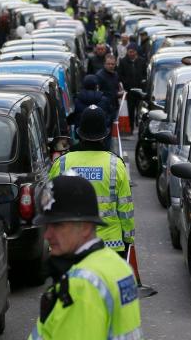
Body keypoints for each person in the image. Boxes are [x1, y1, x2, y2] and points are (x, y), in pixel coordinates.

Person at [28, 174, 141, 340]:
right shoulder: (118, 265)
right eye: (47, 225)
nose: (47, 234)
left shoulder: (80, 285)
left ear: (86, 227)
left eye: (58, 225)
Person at [49, 106, 135, 255]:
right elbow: (125, 208)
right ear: (103, 136)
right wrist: (128, 239)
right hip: (110, 246)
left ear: (80, 133)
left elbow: (50, 207)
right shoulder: (115, 165)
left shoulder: (61, 164)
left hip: (70, 245)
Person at [95, 54, 120, 127]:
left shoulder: (115, 75)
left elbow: (115, 89)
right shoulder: (99, 76)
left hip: (114, 106)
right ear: (104, 64)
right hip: (104, 107)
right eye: (108, 64)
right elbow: (98, 92)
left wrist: (118, 94)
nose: (110, 66)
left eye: (112, 64)